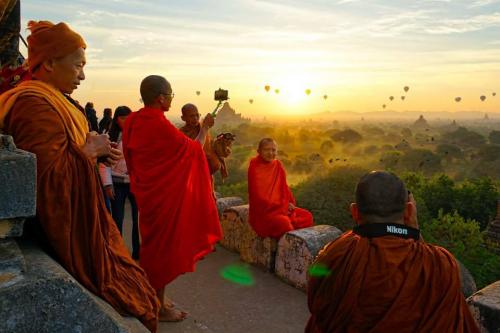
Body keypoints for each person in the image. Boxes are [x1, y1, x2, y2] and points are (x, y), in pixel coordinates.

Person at [0, 21, 159, 332]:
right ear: (47, 63)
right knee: (132, 293)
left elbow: (64, 155)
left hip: (84, 219)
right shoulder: (34, 105)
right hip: (66, 235)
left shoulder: (53, 99)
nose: (83, 76)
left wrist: (94, 150)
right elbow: (46, 186)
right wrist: (87, 153)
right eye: (77, 66)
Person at [306, 171, 480, 333]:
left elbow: (317, 305)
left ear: (354, 211)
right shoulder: (440, 263)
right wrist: (414, 230)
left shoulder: (335, 253)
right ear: (410, 211)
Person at [122, 75, 222, 321]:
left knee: (152, 249)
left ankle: (155, 298)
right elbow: (194, 151)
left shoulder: (134, 121)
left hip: (147, 195)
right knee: (161, 254)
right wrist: (206, 128)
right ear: (161, 98)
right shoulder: (159, 124)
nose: (171, 100)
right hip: (163, 199)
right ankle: (158, 308)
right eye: (170, 95)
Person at [248, 138, 314, 239]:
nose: (270, 153)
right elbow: (259, 195)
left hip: (281, 208)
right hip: (265, 212)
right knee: (284, 224)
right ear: (259, 151)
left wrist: (290, 201)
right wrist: (283, 205)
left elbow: (284, 187)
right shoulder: (254, 166)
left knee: (307, 216)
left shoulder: (277, 165)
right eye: (266, 150)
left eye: (273, 150)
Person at [100, 106, 140, 260]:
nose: (126, 121)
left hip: (135, 183)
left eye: (129, 118)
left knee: (138, 221)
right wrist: (107, 185)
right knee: (117, 219)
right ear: (117, 119)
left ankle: (138, 251)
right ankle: (119, 253)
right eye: (123, 118)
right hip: (116, 183)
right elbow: (103, 163)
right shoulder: (109, 137)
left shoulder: (139, 136)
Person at [179, 103, 220, 175]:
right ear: (183, 118)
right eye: (191, 116)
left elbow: (208, 146)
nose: (195, 118)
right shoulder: (180, 134)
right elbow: (191, 152)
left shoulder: (202, 127)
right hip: (192, 174)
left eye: (197, 115)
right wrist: (205, 128)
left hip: (207, 173)